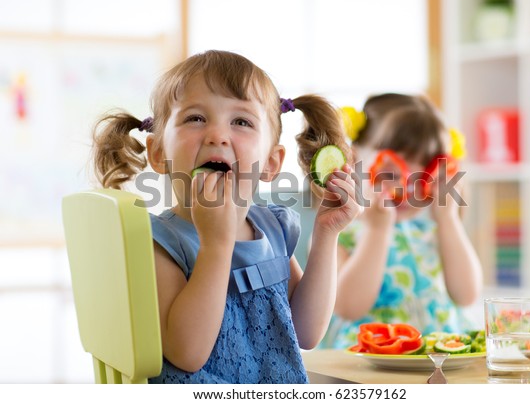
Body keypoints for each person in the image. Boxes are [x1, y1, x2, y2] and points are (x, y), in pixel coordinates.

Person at [91, 50, 362, 383]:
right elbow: (187, 354)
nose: (217, 135)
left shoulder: (272, 229)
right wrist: (216, 245)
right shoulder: (159, 241)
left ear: (271, 164)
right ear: (159, 154)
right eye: (195, 118)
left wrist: (326, 235)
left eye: (241, 122)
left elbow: (306, 332)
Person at [323, 93, 482, 349]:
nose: (407, 188)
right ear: (353, 160)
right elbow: (347, 307)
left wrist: (449, 220)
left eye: (424, 177)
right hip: (372, 359)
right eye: (390, 173)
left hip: (439, 356)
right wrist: (377, 230)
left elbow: (467, 295)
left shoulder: (435, 230)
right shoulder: (339, 231)